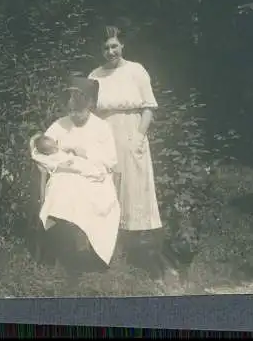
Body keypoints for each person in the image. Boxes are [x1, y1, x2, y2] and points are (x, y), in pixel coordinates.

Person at [88, 25, 165, 277]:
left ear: (122, 47)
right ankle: (110, 246)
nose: (110, 51)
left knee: (133, 188)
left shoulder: (136, 70)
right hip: (105, 133)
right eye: (106, 47)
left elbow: (149, 107)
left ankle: (138, 251)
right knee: (108, 185)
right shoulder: (95, 75)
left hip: (132, 131)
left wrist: (139, 137)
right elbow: (88, 111)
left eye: (114, 46)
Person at [29, 76, 121, 277]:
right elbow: (41, 149)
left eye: (80, 111)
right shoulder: (60, 124)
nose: (75, 116)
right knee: (60, 190)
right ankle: (55, 246)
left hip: (94, 176)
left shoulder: (101, 127)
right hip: (65, 173)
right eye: (72, 111)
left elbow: (111, 161)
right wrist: (62, 158)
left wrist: (85, 153)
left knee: (91, 197)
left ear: (89, 106)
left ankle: (89, 254)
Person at [32, 133, 107, 182]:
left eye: (55, 144)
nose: (56, 148)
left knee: (84, 162)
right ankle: (95, 175)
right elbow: (55, 166)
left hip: (73, 159)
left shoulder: (57, 148)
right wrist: (64, 164)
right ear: (47, 153)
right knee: (80, 169)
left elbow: (64, 149)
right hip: (69, 165)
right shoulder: (50, 158)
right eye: (53, 148)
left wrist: (70, 149)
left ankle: (98, 171)